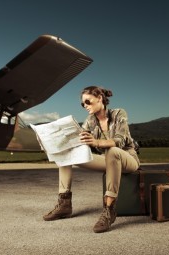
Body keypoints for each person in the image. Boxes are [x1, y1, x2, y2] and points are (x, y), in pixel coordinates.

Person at [43, 85, 140, 233]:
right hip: (107, 160)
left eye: (87, 102)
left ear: (100, 98)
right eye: (83, 104)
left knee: (113, 150)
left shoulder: (119, 113)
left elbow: (119, 140)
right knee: (65, 154)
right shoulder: (89, 121)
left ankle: (109, 209)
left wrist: (97, 142)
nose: (85, 106)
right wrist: (53, 144)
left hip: (127, 158)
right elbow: (79, 142)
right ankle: (64, 204)